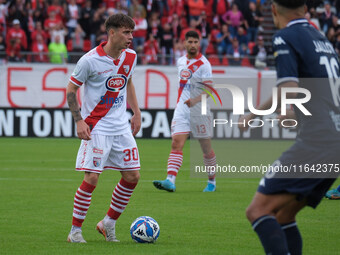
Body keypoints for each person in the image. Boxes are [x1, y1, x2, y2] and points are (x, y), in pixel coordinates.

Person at [238, 0, 340, 254]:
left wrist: (278, 111)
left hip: (318, 142)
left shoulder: (285, 37)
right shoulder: (321, 38)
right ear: (305, 8)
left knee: (258, 210)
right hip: (334, 142)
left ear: (273, 9)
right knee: (283, 216)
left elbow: (289, 88)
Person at [66, 13, 141, 243]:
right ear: (111, 33)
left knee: (132, 176)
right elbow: (71, 90)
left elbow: (127, 81)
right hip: (96, 127)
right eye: (126, 32)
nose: (130, 37)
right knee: (91, 178)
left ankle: (108, 223)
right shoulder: (89, 60)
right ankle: (75, 231)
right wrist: (79, 120)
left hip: (121, 127)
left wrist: (136, 112)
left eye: (132, 32)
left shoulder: (131, 56)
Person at [153, 31, 217, 193]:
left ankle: (212, 182)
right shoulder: (180, 61)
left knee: (205, 148)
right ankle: (170, 180)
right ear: (185, 43)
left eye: (196, 42)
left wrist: (195, 100)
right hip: (182, 108)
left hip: (199, 110)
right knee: (176, 143)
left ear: (199, 43)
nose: (193, 45)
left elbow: (210, 90)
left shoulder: (204, 64)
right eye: (190, 41)